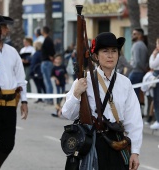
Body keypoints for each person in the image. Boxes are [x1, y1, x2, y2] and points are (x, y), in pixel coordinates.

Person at [62, 32, 143, 170]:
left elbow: (133, 120)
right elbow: (67, 113)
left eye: (114, 51)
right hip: (91, 142)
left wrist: (135, 151)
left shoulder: (125, 83)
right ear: (96, 56)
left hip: (117, 142)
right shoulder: (83, 80)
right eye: (105, 51)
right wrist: (76, 93)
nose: (110, 55)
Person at [0, 14, 28, 170]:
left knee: (7, 145)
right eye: (3, 27)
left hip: (10, 103)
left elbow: (21, 79)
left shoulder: (12, 51)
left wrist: (24, 101)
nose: (7, 30)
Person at [128, 28, 149, 100]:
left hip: (136, 72)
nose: (132, 35)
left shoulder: (137, 45)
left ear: (140, 36)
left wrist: (145, 70)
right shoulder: (143, 45)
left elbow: (137, 61)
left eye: (134, 34)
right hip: (140, 72)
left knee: (131, 94)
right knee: (136, 93)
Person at [41, 26, 55, 105]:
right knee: (47, 81)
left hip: (46, 62)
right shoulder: (48, 39)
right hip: (46, 62)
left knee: (47, 81)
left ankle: (49, 99)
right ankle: (48, 99)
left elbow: (51, 51)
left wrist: (51, 57)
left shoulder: (47, 40)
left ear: (43, 31)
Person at [149, 38, 159, 129]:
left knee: (156, 100)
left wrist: (153, 55)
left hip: (157, 77)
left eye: (157, 44)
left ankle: (158, 120)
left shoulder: (158, 55)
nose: (156, 46)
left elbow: (152, 65)